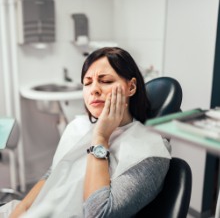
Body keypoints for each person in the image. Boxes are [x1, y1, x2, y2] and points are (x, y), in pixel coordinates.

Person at [8, 47, 171, 218]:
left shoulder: (151, 152)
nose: (94, 89)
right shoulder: (78, 127)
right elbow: (54, 173)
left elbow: (97, 214)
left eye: (106, 81)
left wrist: (101, 137)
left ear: (131, 87)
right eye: (87, 83)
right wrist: (19, 211)